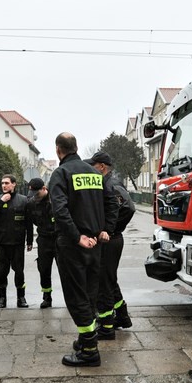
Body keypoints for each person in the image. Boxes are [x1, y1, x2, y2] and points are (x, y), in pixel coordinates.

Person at [48, 132, 118, 367]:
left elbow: (60, 210)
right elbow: (111, 202)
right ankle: (85, 338)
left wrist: (77, 237)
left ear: (59, 150)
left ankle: (89, 350)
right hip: (95, 245)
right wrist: (104, 230)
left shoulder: (61, 174)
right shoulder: (95, 173)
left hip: (73, 246)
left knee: (76, 295)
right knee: (89, 293)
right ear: (76, 147)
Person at [85, 151, 136, 338]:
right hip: (110, 238)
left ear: (101, 167)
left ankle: (106, 326)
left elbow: (128, 208)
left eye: (93, 165)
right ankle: (122, 316)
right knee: (109, 280)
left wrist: (110, 229)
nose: (91, 168)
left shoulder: (111, 184)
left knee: (103, 283)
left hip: (110, 240)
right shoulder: (106, 183)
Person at [0, 174, 33, 308]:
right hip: (1, 244)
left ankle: (21, 298)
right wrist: (1, 202)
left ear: (14, 184)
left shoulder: (24, 201)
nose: (4, 185)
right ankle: (2, 298)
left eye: (7, 183)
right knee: (1, 272)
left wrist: (29, 241)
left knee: (19, 271)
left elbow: (28, 223)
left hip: (17, 243)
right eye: (2, 183)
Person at [26, 177, 57, 308]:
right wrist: (29, 241)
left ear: (44, 189)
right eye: (33, 194)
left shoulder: (56, 200)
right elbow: (29, 222)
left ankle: (71, 298)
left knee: (66, 271)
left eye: (37, 194)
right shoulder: (32, 203)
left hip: (59, 239)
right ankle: (47, 297)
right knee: (44, 269)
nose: (35, 197)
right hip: (44, 239)